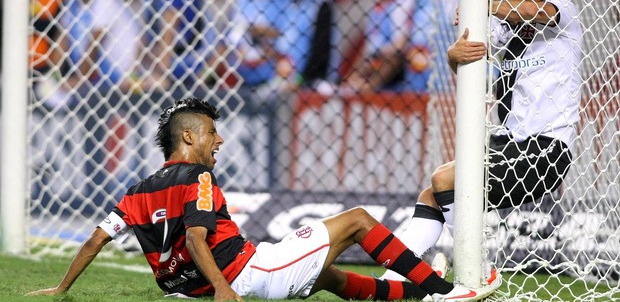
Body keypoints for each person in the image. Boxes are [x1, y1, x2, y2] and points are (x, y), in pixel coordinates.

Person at [27, 98, 500, 301]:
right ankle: (445, 292)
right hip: (251, 274)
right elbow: (195, 238)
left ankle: (414, 290)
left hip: (186, 291)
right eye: (212, 131)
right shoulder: (199, 179)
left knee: (329, 277)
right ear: (188, 135)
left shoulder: (135, 191)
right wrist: (224, 288)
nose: (220, 140)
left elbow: (94, 242)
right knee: (357, 219)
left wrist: (61, 288)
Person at [380, 0, 582, 281]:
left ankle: (477, 268)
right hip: (506, 142)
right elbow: (468, 63)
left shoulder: (563, 13)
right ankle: (392, 281)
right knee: (432, 192)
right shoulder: (504, 26)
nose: (500, 3)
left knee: (445, 180)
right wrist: (452, 56)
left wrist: (482, 3)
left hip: (546, 149)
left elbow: (532, 11)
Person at [343, 0, 431, 93]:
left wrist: (371, 80)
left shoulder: (403, 2)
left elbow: (399, 48)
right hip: (374, 65)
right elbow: (368, 47)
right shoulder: (376, 6)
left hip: (396, 72)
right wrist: (351, 77)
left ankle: (369, 89)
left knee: (392, 57)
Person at [275, 0, 339, 92]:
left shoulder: (322, 3)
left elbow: (320, 55)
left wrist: (298, 81)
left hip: (314, 83)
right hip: (283, 79)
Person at [227, 0, 288, 90]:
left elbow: (287, 36)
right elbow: (231, 40)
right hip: (240, 78)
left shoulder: (285, 1)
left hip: (273, 80)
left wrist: (259, 31)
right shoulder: (242, 1)